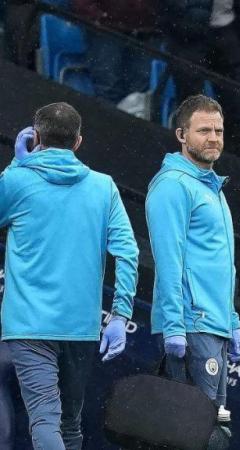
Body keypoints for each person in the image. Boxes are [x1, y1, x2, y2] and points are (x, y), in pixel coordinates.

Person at [0, 102, 139, 449]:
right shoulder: (104, 187)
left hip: (29, 324)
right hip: (80, 327)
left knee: (46, 420)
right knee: (69, 424)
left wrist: (17, 164)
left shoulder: (16, 181)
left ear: (36, 137)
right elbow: (128, 252)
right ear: (78, 141)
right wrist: (121, 314)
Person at [146, 95, 240, 425]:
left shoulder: (212, 188)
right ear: (181, 135)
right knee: (192, 431)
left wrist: (230, 320)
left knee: (212, 431)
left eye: (218, 130)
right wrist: (174, 325)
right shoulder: (173, 186)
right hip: (190, 324)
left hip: (213, 324)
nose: (214, 138)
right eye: (203, 130)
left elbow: (220, 266)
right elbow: (169, 260)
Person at [158, 0, 240, 155]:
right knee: (191, 102)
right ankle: (189, 158)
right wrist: (184, 22)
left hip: (227, 32)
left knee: (235, 102)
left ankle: (230, 161)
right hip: (189, 34)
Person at [72, 0, 158, 104]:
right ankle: (105, 118)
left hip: (145, 31)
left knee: (140, 93)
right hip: (106, 29)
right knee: (108, 87)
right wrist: (99, 17)